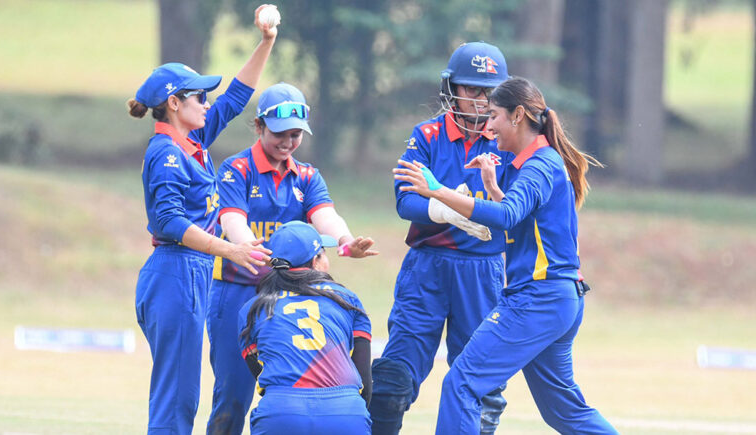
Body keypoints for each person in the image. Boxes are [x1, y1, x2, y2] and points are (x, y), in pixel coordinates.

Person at [393, 77, 618, 434]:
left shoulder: (540, 165)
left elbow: (506, 216)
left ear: (517, 116)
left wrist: (438, 191)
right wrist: (493, 188)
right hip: (559, 299)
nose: (489, 124)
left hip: (539, 299)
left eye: (494, 115)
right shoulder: (532, 163)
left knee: (461, 383)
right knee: (563, 411)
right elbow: (519, 219)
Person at [128, 5, 278, 434]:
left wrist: (266, 41)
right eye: (199, 97)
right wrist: (229, 249)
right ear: (174, 103)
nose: (208, 103)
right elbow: (169, 222)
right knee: (176, 399)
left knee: (184, 396)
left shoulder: (191, 140)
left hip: (190, 272)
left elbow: (235, 99)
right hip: (173, 273)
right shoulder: (166, 153)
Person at [206, 82, 377, 434]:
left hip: (288, 296)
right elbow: (232, 221)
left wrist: (346, 241)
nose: (287, 142)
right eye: (279, 134)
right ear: (259, 126)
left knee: (296, 385)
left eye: (295, 135)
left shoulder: (308, 176)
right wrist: (255, 251)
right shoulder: (237, 168)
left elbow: (325, 215)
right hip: (238, 290)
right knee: (232, 396)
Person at [370, 41, 511, 435]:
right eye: (472, 89)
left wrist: (468, 205)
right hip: (428, 268)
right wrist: (449, 211)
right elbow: (406, 202)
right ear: (452, 88)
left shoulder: (507, 139)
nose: (482, 101)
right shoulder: (427, 135)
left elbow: (517, 206)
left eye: (490, 92)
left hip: (482, 270)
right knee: (394, 380)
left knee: (482, 385)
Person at [237, 221, 373, 435]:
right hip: (345, 413)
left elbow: (262, 376)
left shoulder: (252, 309)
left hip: (281, 413)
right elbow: (365, 381)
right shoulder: (347, 299)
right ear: (315, 261)